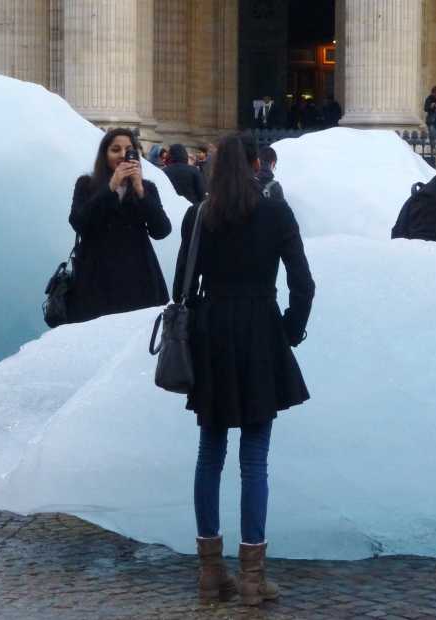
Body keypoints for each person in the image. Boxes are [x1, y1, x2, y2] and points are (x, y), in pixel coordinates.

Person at [172, 134, 314, 607]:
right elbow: (303, 284)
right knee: (254, 459)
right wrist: (289, 331)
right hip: (258, 330)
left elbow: (180, 286)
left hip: (212, 332)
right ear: (257, 165)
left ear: (213, 169)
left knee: (209, 453)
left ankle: (211, 574)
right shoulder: (276, 213)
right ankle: (253, 577)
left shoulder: (199, 216)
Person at [68, 128, 172, 323]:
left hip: (138, 277)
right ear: (104, 154)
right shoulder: (86, 184)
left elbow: (162, 230)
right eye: (115, 150)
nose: (123, 155)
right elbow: (78, 222)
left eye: (128, 150)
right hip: (96, 277)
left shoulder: (147, 187)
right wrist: (110, 187)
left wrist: (140, 191)